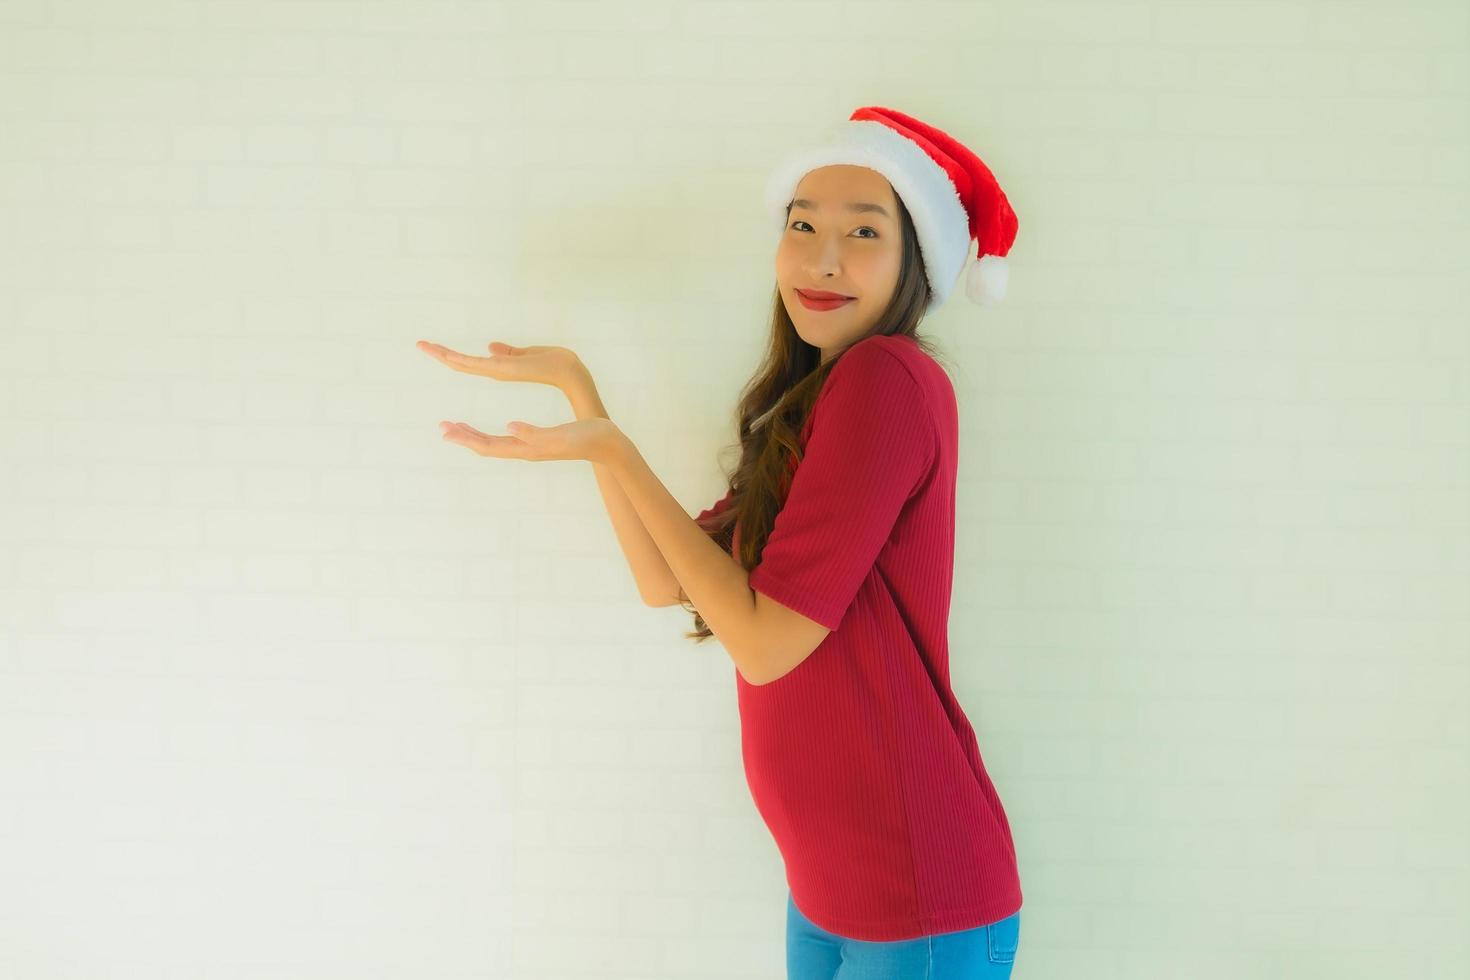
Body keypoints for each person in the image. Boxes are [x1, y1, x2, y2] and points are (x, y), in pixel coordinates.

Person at [417, 105, 1022, 980]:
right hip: (828, 890)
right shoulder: (815, 406)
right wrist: (586, 403)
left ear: (913, 265)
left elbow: (766, 642)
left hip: (915, 898)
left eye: (863, 233)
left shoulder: (887, 381)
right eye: (802, 226)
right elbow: (667, 580)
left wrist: (614, 450)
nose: (823, 257)